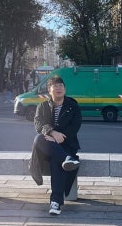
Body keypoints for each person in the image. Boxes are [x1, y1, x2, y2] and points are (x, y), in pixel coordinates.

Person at [29, 75, 82, 215]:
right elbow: (38, 124)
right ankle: (66, 159)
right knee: (38, 139)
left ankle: (56, 203)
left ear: (65, 89)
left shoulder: (73, 106)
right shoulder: (43, 106)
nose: (59, 88)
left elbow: (74, 127)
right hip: (48, 146)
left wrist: (59, 138)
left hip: (66, 145)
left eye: (61, 86)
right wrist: (53, 133)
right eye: (55, 86)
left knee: (56, 161)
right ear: (49, 90)